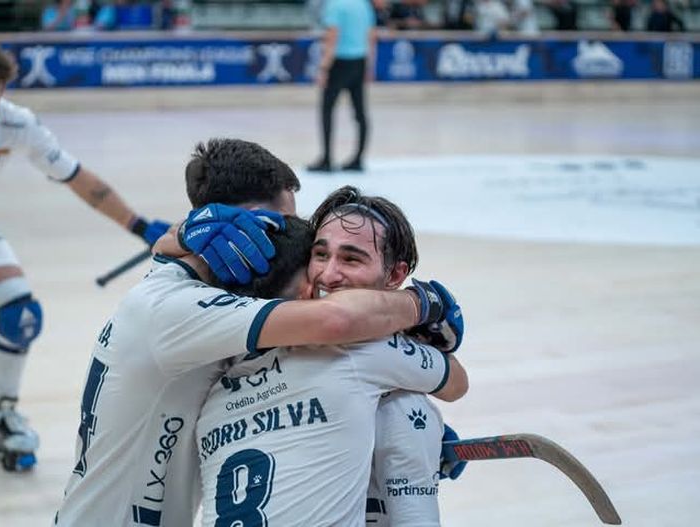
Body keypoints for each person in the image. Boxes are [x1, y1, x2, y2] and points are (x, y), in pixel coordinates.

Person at [54, 139, 450, 526]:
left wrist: (378, 411)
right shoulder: (181, 309)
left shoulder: (195, 288)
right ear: (252, 221)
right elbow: (335, 321)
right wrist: (424, 303)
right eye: (283, 222)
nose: (290, 238)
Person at [0, 43, 170, 471]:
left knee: (23, 316)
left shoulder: (16, 124)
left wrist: (139, 225)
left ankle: (2, 411)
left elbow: (78, 178)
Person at [197, 185, 469, 525]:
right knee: (408, 411)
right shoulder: (364, 351)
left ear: (395, 274)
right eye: (321, 255)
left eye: (351, 259)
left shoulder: (224, 363)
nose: (328, 274)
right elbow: (456, 382)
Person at [307, 0, 376, 173]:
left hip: (339, 62)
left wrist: (324, 67)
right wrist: (369, 65)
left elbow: (332, 35)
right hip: (359, 61)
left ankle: (327, 158)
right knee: (360, 111)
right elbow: (371, 35)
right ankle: (358, 158)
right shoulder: (363, 4)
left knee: (327, 110)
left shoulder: (334, 5)